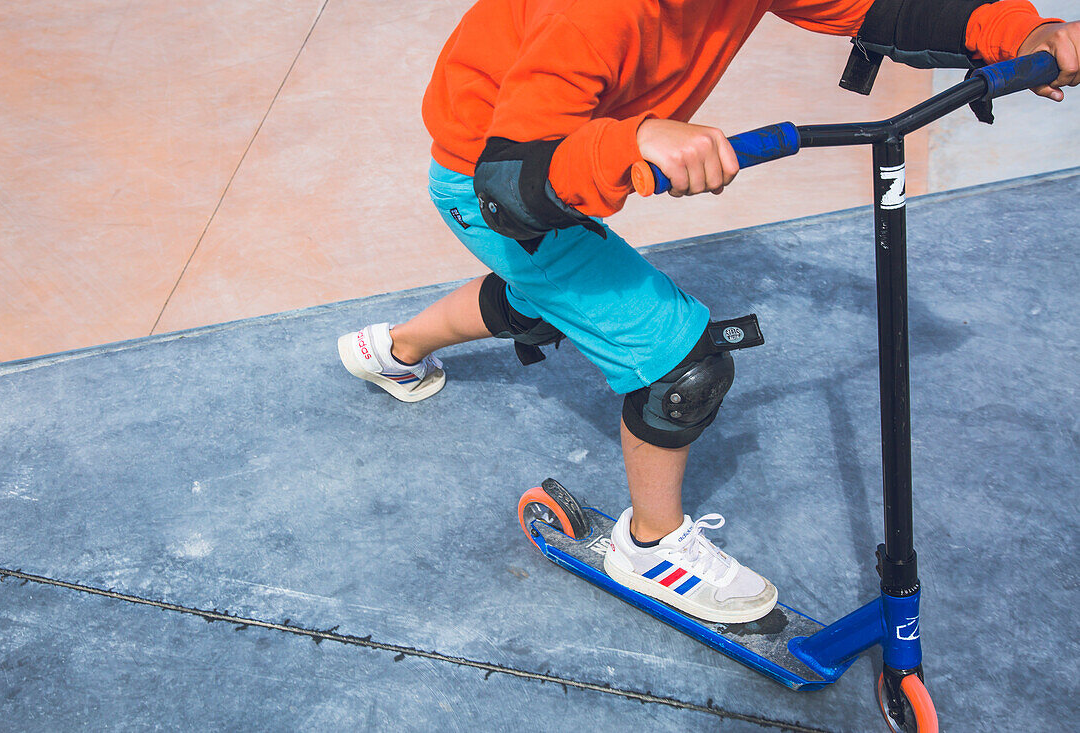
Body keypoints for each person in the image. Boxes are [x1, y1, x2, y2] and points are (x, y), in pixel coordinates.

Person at [339, 0, 1079, 624]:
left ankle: (391, 349)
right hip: (493, 181)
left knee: (551, 298)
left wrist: (1018, 33)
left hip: (545, 166)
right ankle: (651, 548)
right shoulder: (599, 11)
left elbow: (888, 6)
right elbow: (509, 186)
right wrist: (632, 139)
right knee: (682, 365)